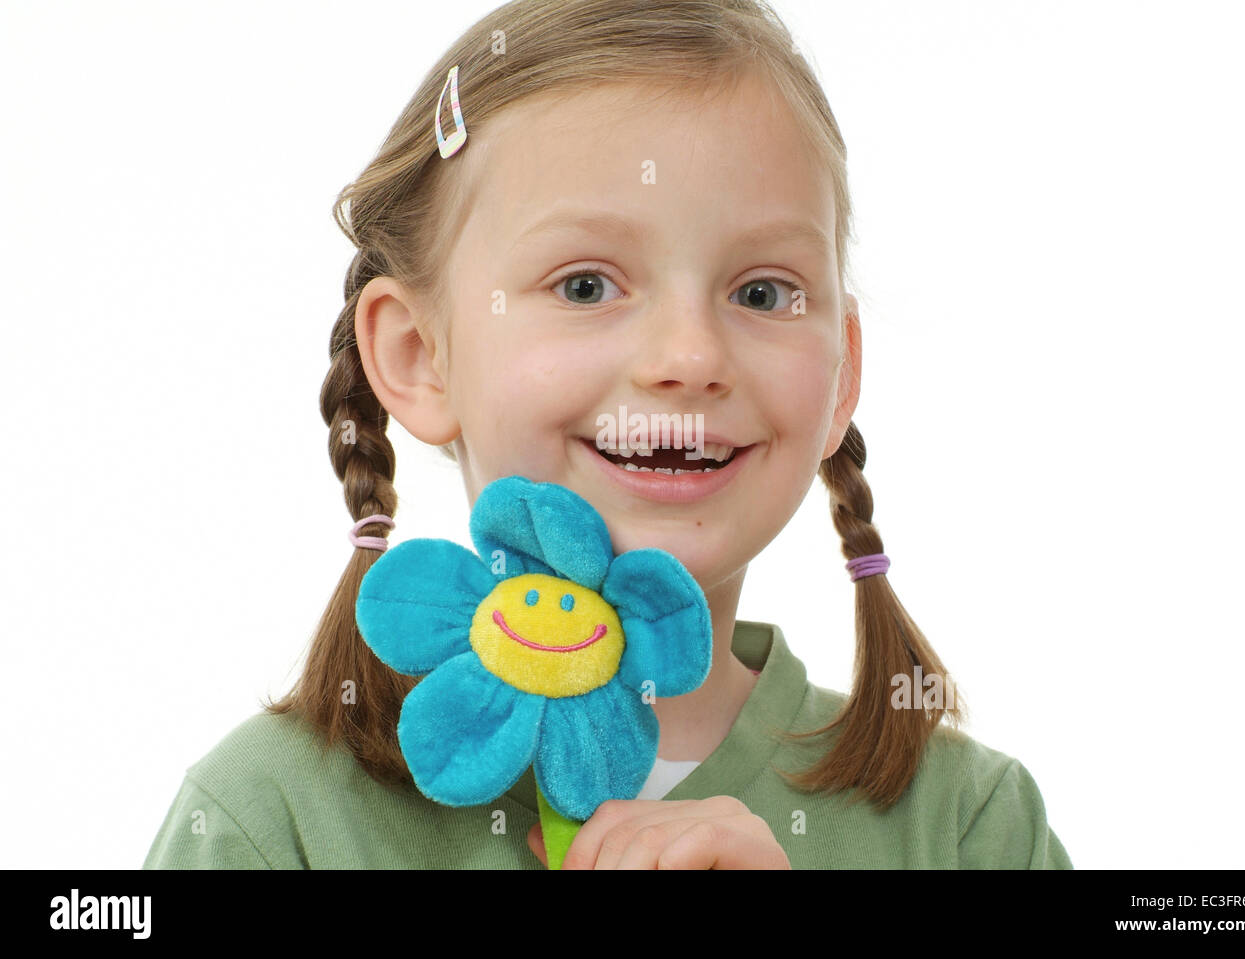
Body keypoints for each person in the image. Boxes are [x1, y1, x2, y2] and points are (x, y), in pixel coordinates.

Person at [144, 0, 1071, 869]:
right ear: (421, 352)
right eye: (586, 285)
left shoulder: (968, 825)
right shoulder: (270, 821)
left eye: (761, 293)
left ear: (840, 377)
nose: (691, 355)